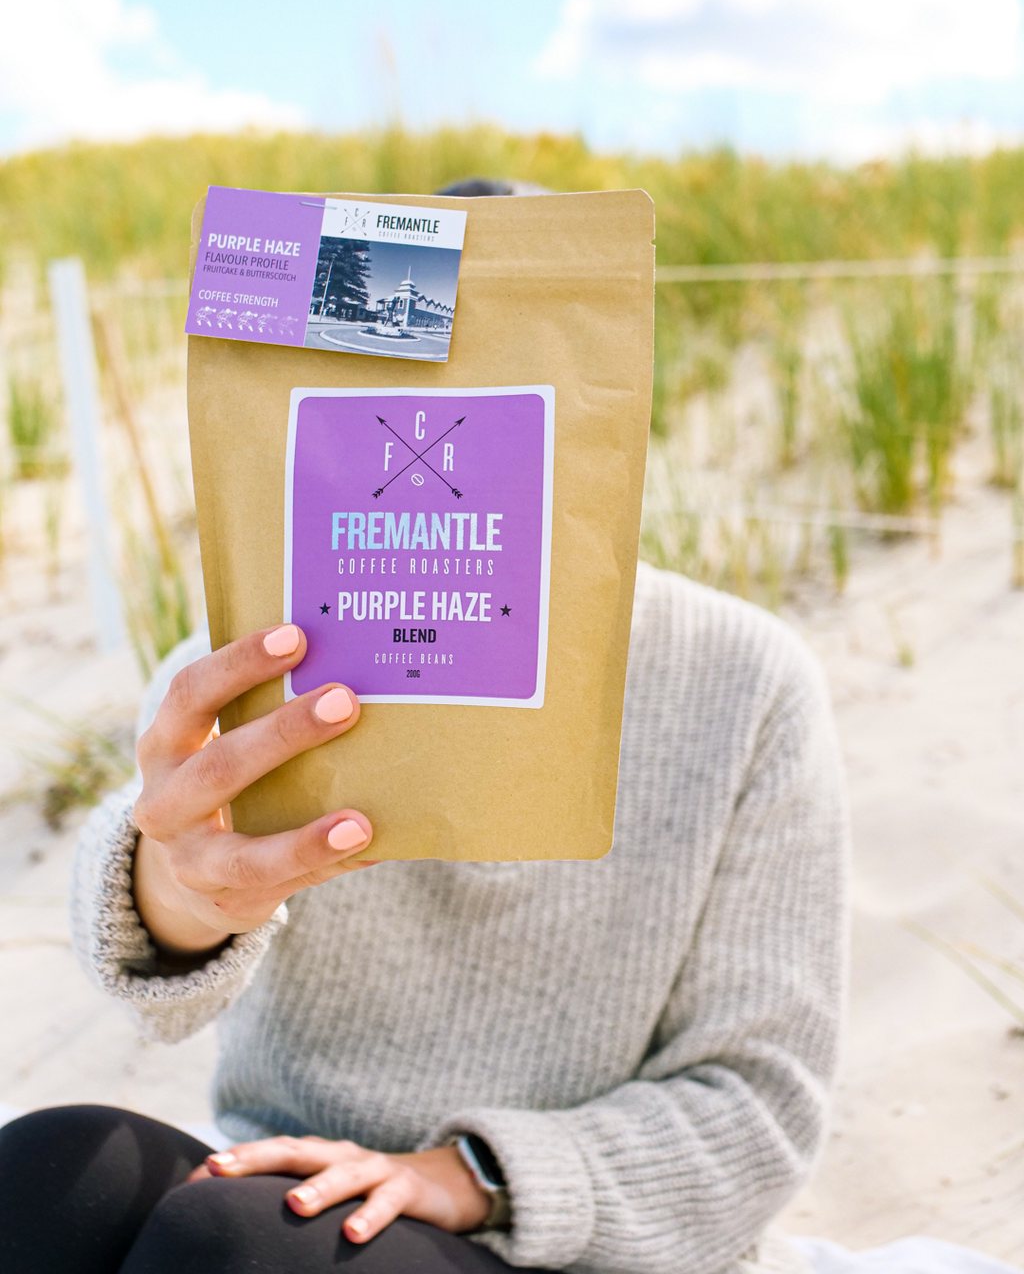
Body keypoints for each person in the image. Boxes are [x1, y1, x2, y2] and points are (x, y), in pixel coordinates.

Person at [0, 180, 850, 1274]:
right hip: (289, 1178)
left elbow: (759, 1106)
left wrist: (470, 1173)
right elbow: (153, 969)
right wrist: (182, 890)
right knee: (46, 1169)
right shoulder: (257, 658)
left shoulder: (743, 681)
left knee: (231, 1244)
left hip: (555, 1228)